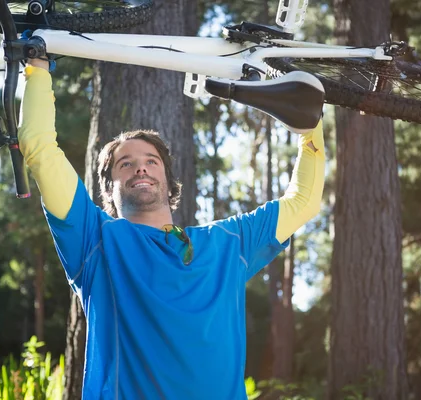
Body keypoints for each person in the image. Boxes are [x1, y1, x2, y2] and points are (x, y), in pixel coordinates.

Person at [19, 58, 325, 399]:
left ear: (168, 179)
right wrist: (37, 67)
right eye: (126, 164)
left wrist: (310, 125)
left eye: (151, 161)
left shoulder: (227, 243)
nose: (141, 169)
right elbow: (40, 148)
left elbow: (304, 202)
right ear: (108, 189)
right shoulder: (95, 239)